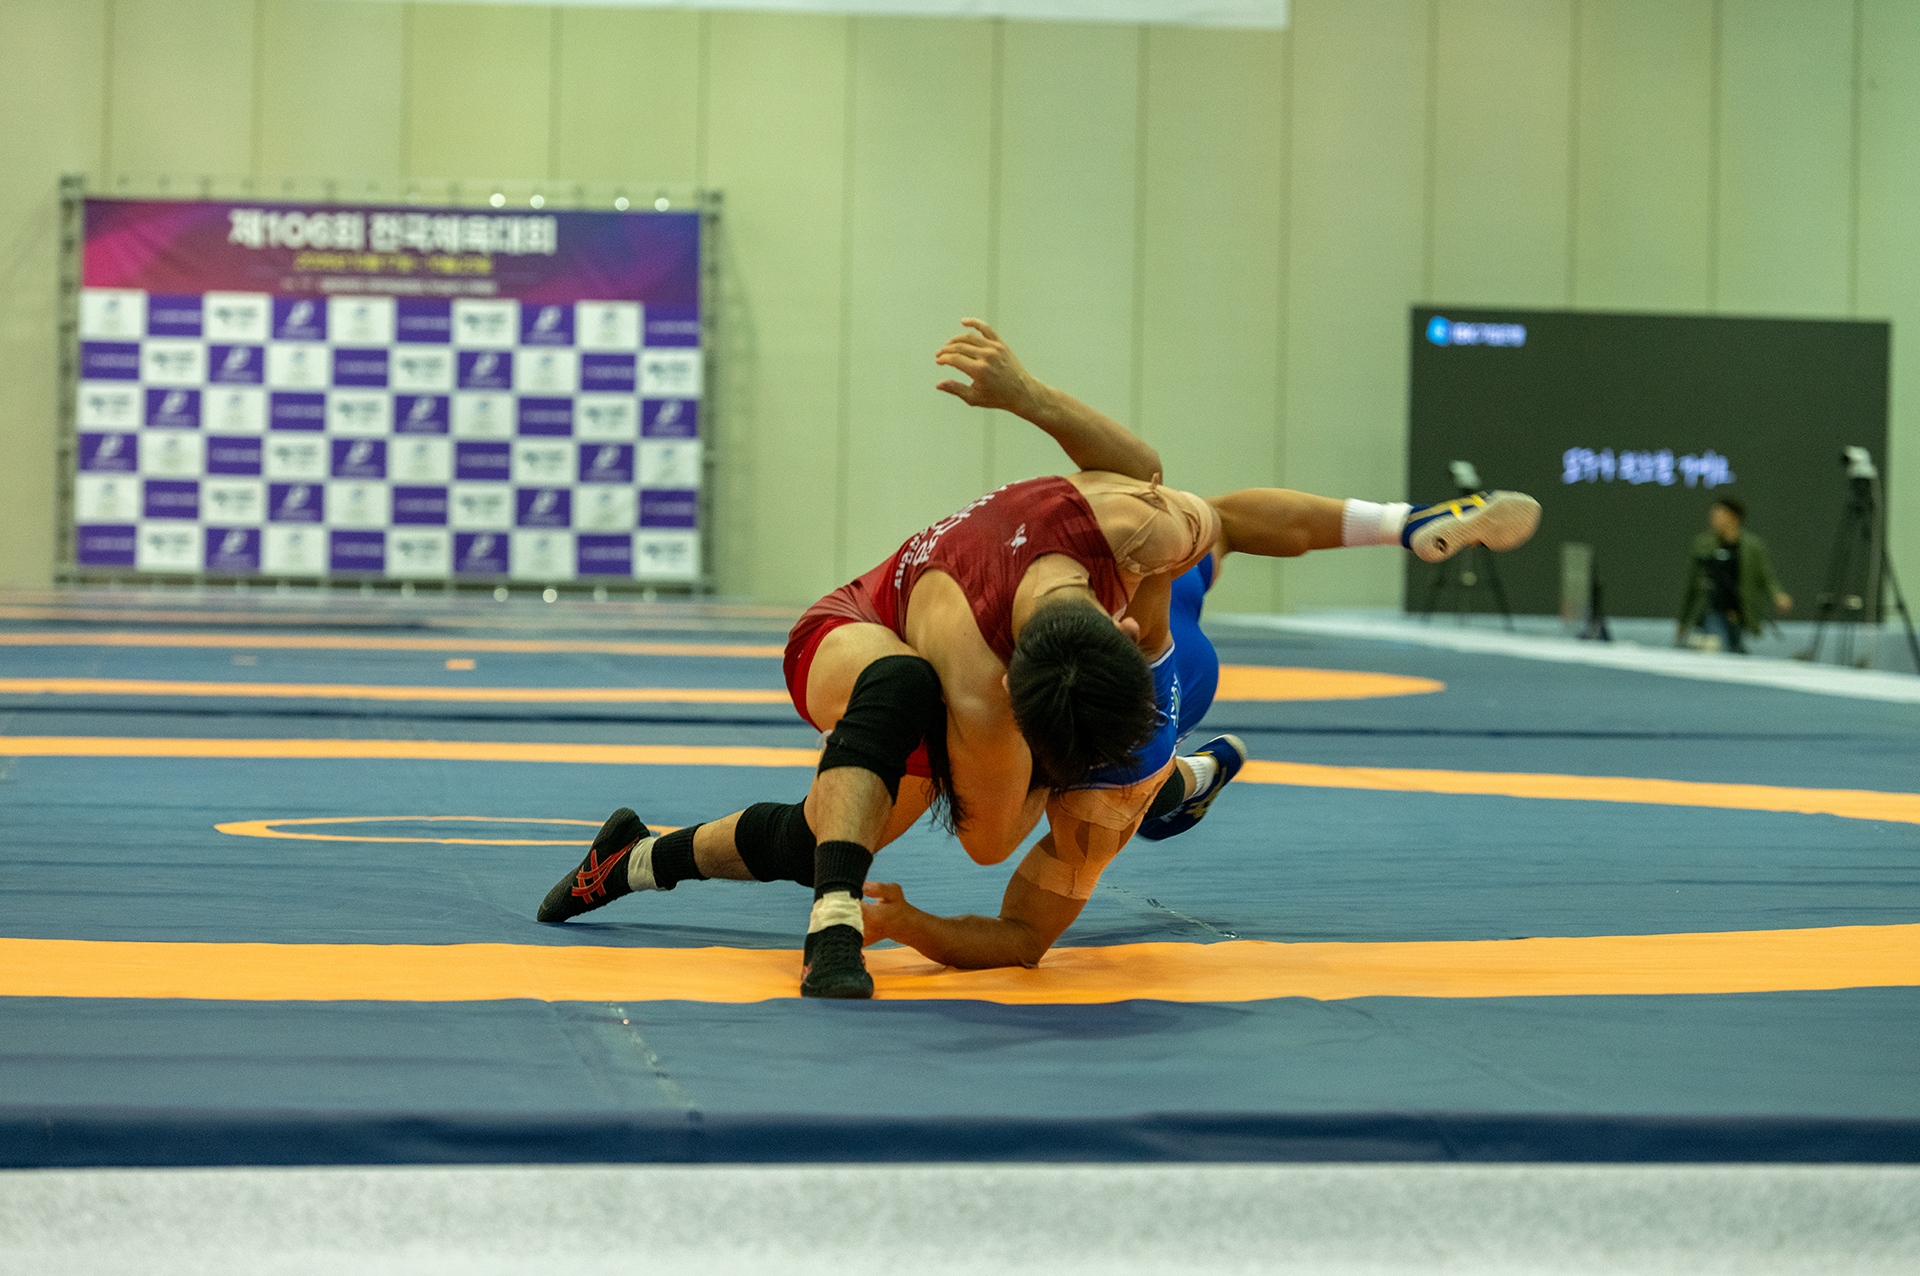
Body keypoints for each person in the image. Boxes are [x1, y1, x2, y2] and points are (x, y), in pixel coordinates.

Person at [538, 320, 1541, 995]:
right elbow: (987, 841)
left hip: (1136, 674)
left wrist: (916, 925)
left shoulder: (1129, 559)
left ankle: (1181, 777)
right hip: (892, 629)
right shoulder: (980, 686)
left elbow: (1018, 927)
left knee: (1197, 534)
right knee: (853, 788)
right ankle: (659, 862)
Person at [1677, 497, 1790, 654]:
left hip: (1740, 612)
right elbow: (1692, 585)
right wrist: (1683, 620)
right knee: (1719, 649)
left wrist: (1777, 595)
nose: (1714, 519)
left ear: (1733, 517)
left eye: (1719, 515)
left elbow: (1765, 576)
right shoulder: (1704, 544)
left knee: (1734, 651)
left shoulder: (1752, 546)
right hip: (1713, 611)